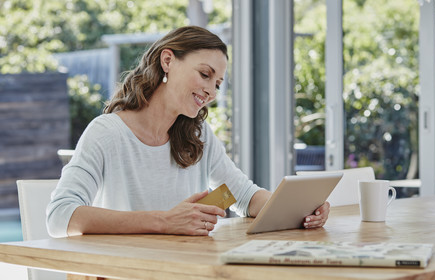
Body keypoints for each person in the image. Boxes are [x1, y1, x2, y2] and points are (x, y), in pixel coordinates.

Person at [46, 26, 330, 238]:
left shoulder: (197, 136)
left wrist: (301, 209)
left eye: (217, 84)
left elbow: (243, 196)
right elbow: (60, 216)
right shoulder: (107, 134)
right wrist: (165, 222)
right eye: (205, 74)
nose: (210, 90)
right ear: (167, 61)